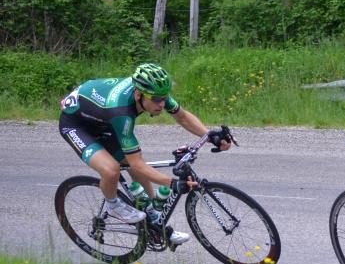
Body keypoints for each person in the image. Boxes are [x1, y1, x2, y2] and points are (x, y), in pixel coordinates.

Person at [58, 62, 230, 245]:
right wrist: (172, 183)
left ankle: (155, 223)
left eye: (164, 98)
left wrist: (210, 135)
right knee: (111, 170)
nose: (161, 104)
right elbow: (137, 163)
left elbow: (182, 116)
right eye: (156, 100)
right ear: (138, 94)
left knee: (136, 169)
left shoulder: (154, 92)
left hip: (103, 121)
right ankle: (113, 205)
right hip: (76, 124)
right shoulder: (121, 111)